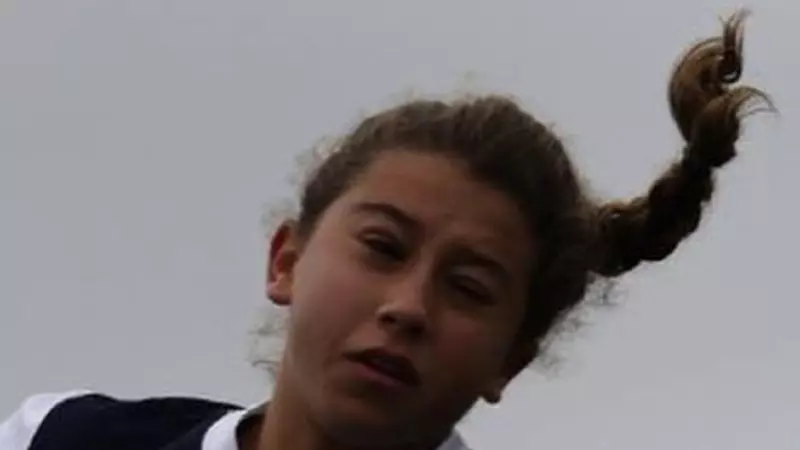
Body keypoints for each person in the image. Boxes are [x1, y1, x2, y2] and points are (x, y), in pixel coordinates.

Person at [0, 10, 773, 450]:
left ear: (512, 358)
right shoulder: (58, 439)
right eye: (382, 247)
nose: (408, 307)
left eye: (469, 287)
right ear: (286, 259)